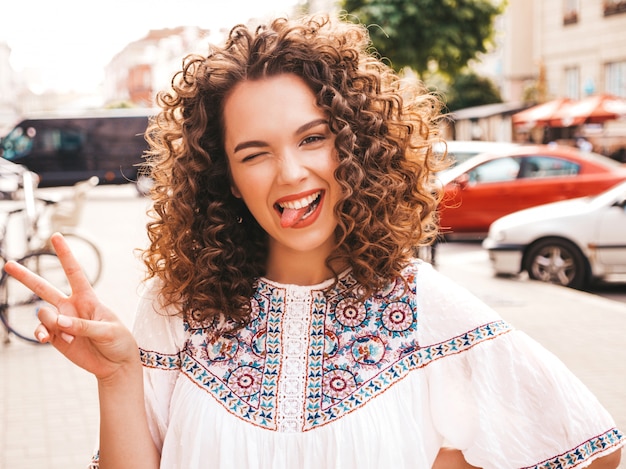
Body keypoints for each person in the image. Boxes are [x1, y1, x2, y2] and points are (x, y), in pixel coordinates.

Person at [4, 15, 623, 469]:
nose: (291, 173)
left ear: (356, 145)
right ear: (223, 177)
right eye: (255, 153)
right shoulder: (177, 308)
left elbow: (594, 450)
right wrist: (117, 378)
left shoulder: (430, 310)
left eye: (312, 138)